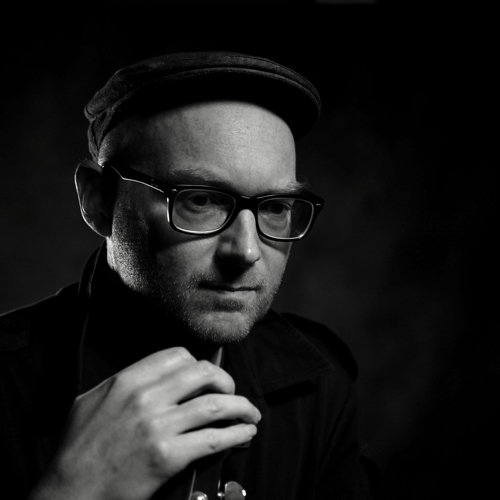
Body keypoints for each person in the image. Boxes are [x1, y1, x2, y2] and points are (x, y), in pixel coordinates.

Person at [0, 50, 375, 499]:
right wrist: (75, 490)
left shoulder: (319, 383)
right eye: (201, 200)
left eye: (275, 207)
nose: (246, 251)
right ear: (99, 200)